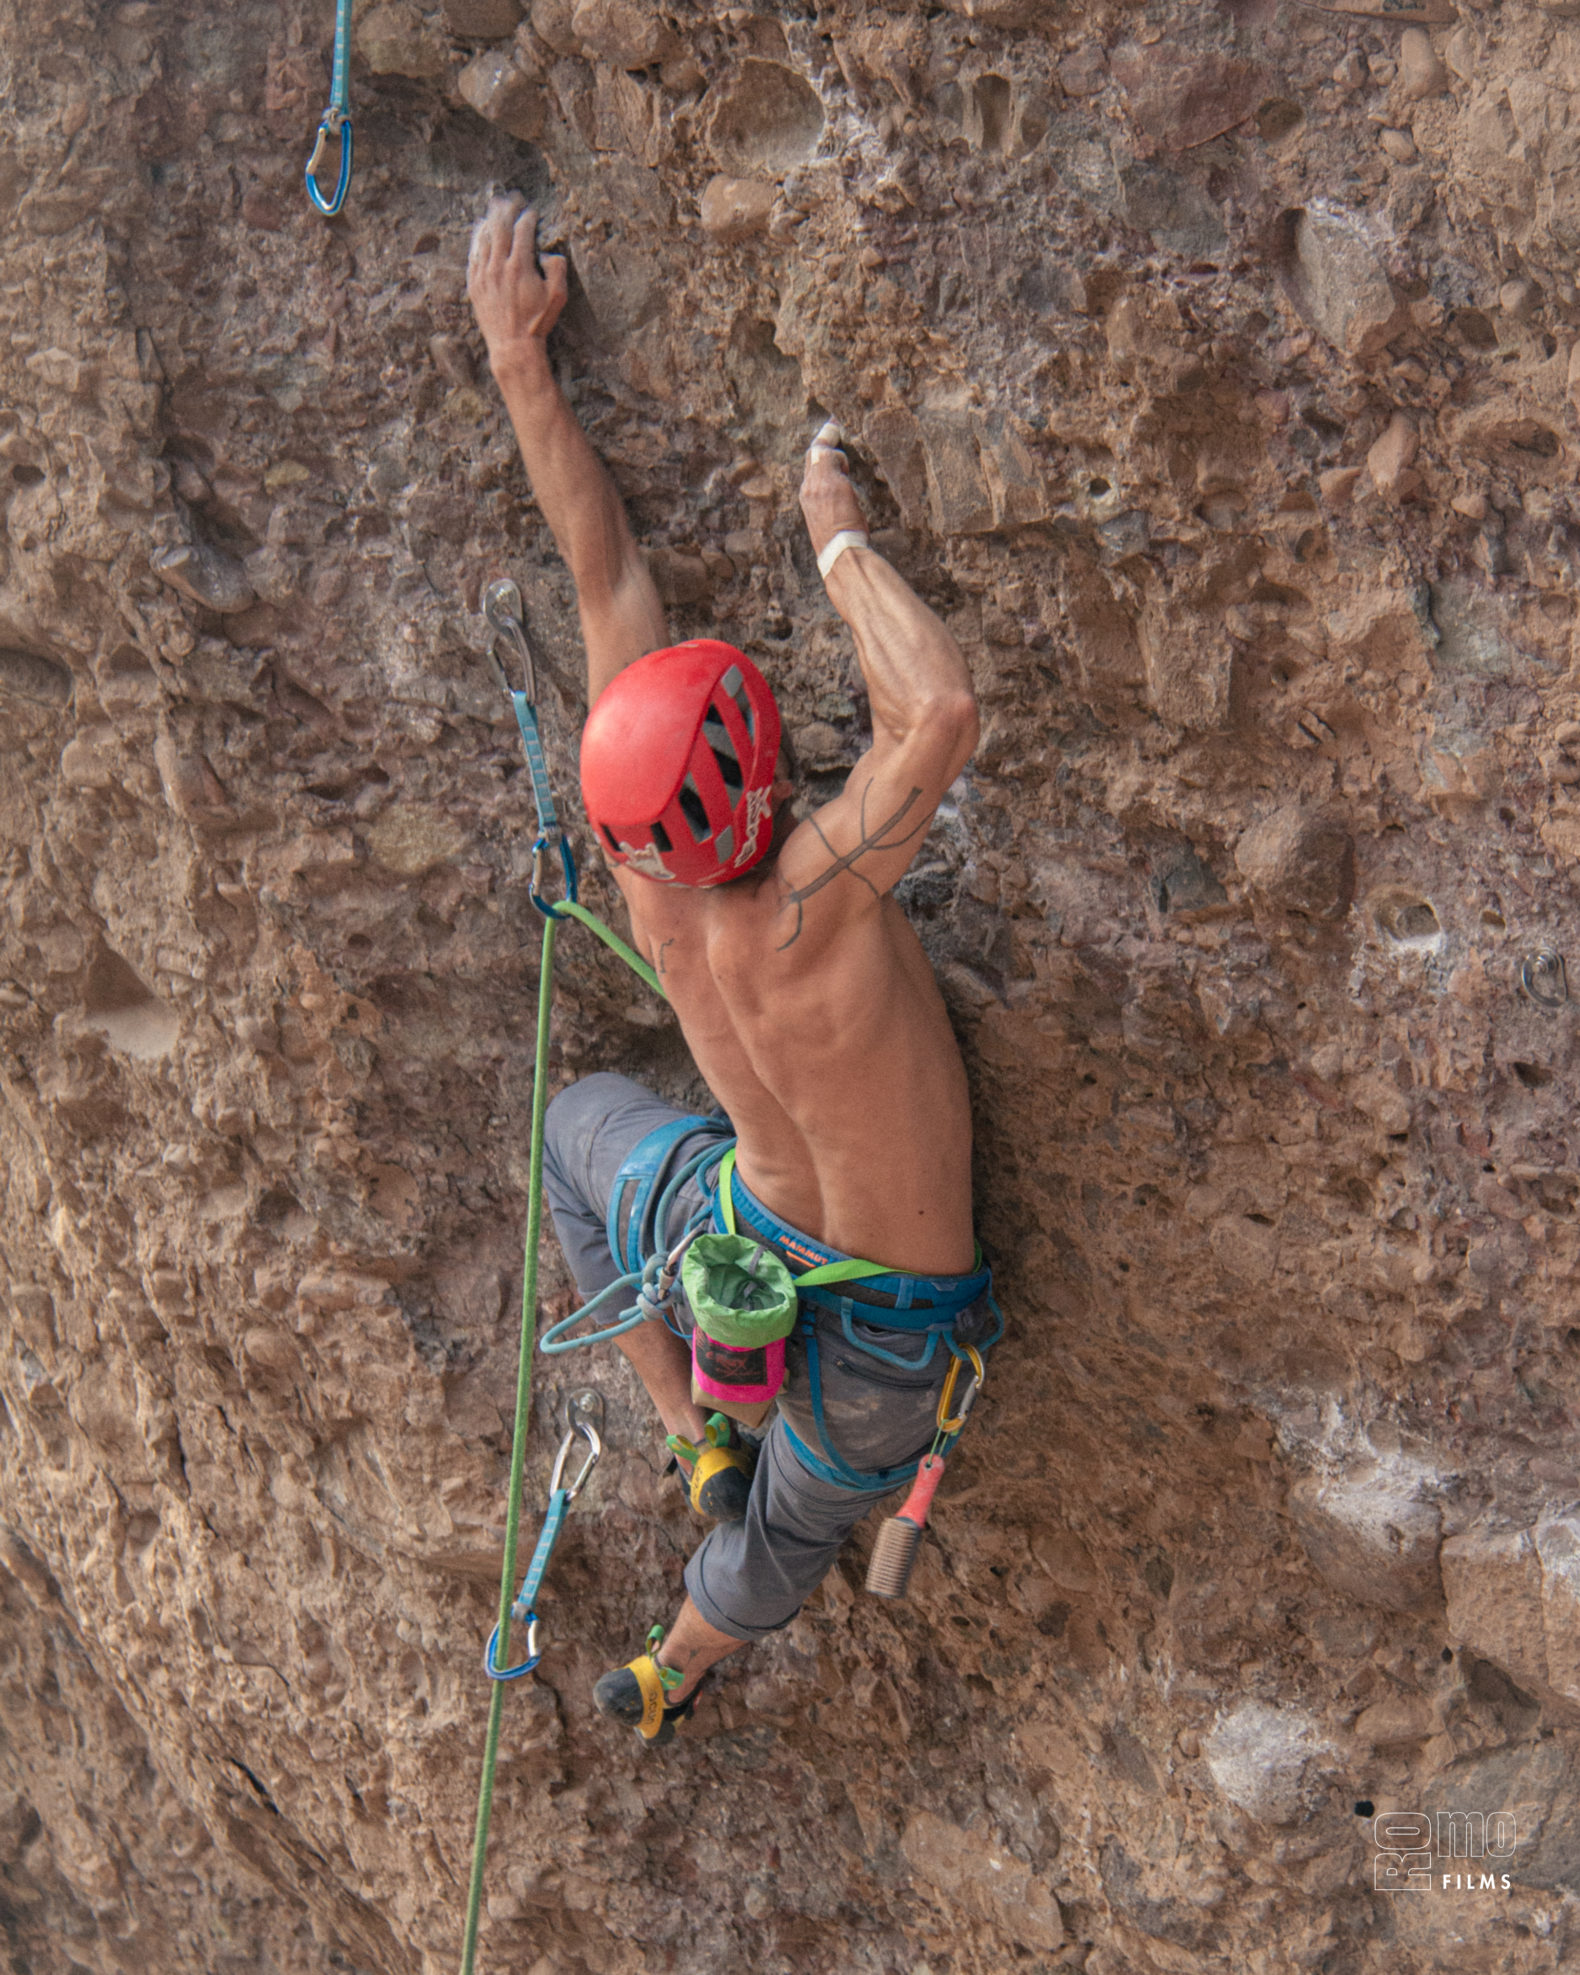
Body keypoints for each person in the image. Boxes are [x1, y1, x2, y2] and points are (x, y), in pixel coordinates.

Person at [467, 193, 996, 1741]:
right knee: (799, 1522)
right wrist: (834, 531)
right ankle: (682, 1647)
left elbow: (600, 566)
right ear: (764, 776)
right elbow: (939, 714)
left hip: (737, 1247)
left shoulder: (646, 883)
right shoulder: (813, 900)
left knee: (578, 1137)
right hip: (892, 1330)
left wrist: (520, 364)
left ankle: (689, 1419)